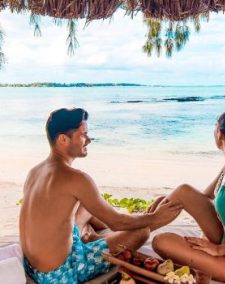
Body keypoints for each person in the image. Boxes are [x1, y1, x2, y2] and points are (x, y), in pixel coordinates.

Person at [19, 108, 182, 284]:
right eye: (83, 135)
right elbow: (116, 222)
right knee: (141, 231)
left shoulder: (35, 171)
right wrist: (153, 217)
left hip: (32, 267)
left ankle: (98, 237)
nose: (89, 140)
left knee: (87, 203)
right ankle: (105, 237)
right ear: (63, 139)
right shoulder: (76, 178)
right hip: (60, 275)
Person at [149, 107, 225, 283]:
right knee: (183, 190)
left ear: (220, 133)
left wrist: (217, 250)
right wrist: (163, 201)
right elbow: (198, 197)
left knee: (161, 242)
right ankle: (138, 228)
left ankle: (135, 232)